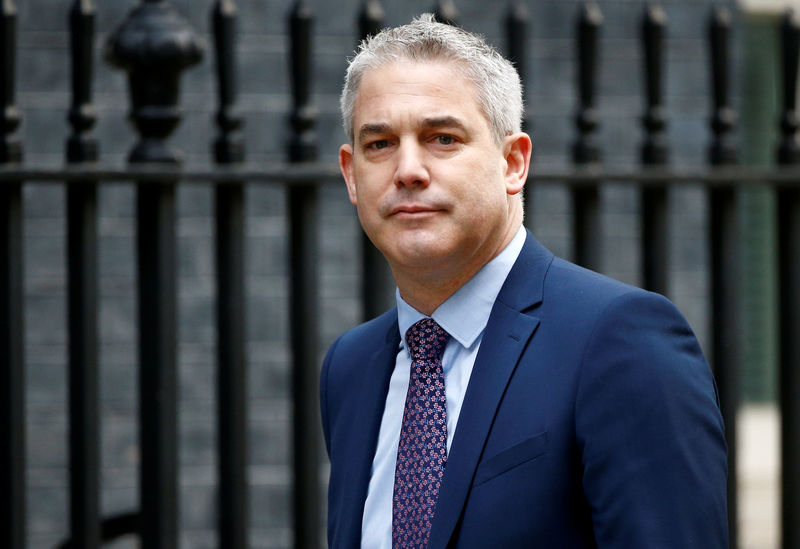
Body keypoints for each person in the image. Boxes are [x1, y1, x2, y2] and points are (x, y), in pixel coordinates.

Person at [320, 14, 728, 549]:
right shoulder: (350, 366)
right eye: (380, 144)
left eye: (442, 138)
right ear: (351, 175)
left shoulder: (621, 341)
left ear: (514, 163)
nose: (408, 169)